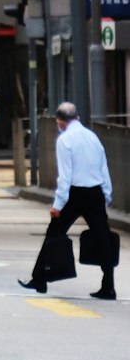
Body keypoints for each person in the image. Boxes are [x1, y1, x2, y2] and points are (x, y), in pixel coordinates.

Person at [20, 102, 116, 300]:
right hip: (96, 192)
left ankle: (39, 279)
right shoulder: (93, 137)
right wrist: (106, 195)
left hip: (75, 194)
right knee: (103, 238)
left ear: (60, 121)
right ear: (77, 118)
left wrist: (57, 205)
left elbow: (65, 177)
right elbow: (103, 168)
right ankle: (108, 287)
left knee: (54, 233)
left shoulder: (65, 140)